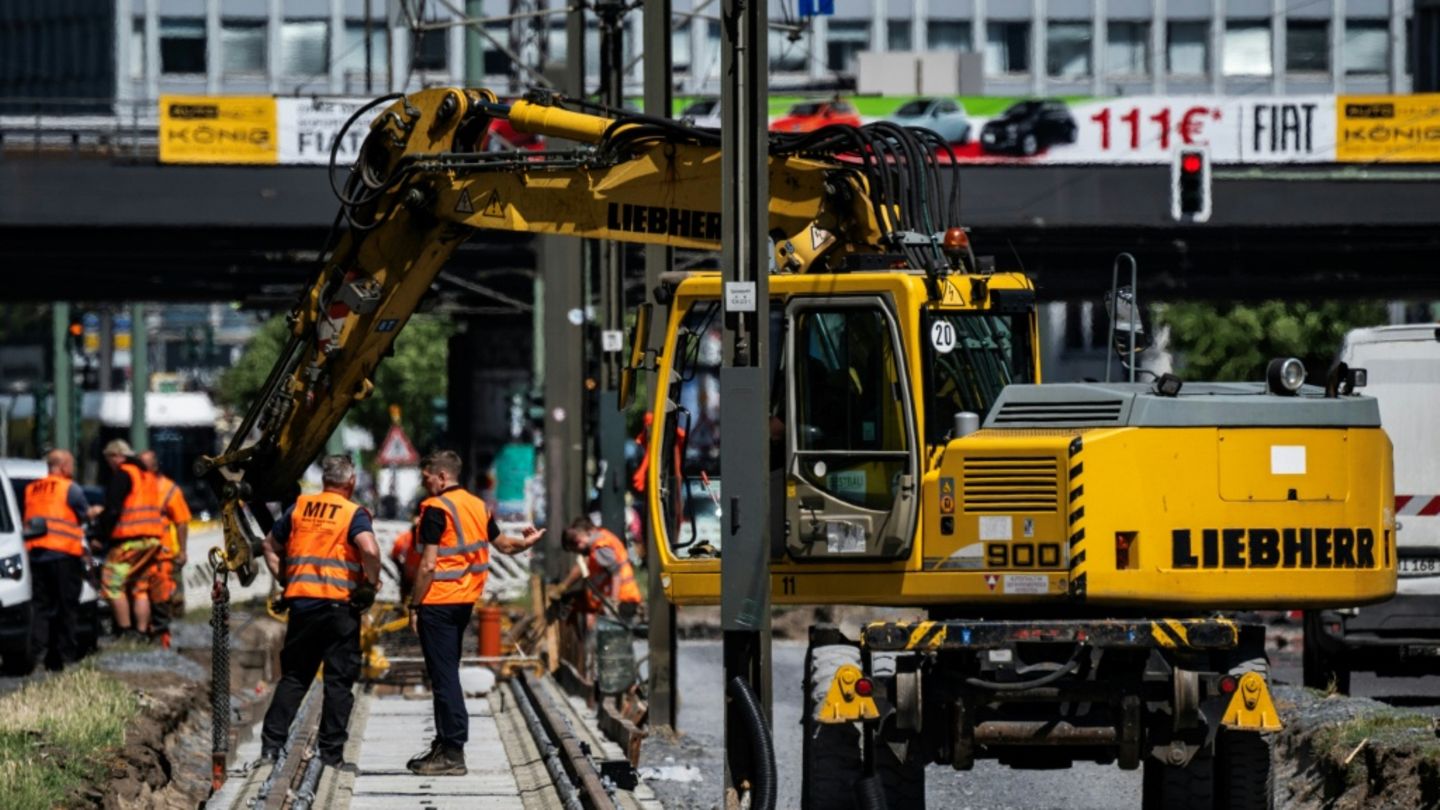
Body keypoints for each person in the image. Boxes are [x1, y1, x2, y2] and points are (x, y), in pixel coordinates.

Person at [406, 450, 544, 776]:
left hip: (437, 602)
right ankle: (443, 744)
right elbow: (506, 545)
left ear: (441, 476)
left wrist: (414, 605)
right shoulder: (478, 506)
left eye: (428, 478)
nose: (426, 484)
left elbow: (427, 564)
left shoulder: (436, 509)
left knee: (443, 678)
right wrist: (528, 542)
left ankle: (453, 751)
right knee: (447, 671)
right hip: (464, 602)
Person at [257, 454, 381, 768]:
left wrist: (286, 581)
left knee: (295, 678)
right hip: (340, 607)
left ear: (325, 481)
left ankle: (271, 748)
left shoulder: (299, 508)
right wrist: (370, 583)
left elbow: (269, 545)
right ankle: (331, 755)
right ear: (350, 483)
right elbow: (369, 548)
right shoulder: (354, 513)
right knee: (339, 682)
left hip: (303, 606)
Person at [21, 449, 90, 671]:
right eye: (71, 464)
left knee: (40, 608)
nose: (73, 469)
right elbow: (84, 514)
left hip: (37, 556)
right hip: (64, 555)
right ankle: (65, 657)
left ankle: (38, 656)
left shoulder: (32, 489)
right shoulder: (70, 489)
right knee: (66, 607)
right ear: (63, 466)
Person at [94, 439, 168, 639]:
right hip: (152, 540)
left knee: (111, 583)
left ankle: (125, 631)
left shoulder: (123, 473)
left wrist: (100, 535)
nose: (108, 464)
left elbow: (113, 509)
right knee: (140, 587)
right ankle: (142, 632)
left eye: (108, 459)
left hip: (130, 540)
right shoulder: (147, 475)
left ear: (117, 455)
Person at [139, 450, 190, 642]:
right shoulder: (135, 487)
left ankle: (163, 637)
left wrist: (183, 551)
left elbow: (181, 522)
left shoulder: (168, 489)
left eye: (145, 465)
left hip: (162, 555)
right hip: (139, 555)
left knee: (163, 598)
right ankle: (145, 636)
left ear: (155, 466)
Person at [558, 517, 643, 623]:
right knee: (572, 602)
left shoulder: (600, 547)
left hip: (623, 601)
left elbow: (616, 573)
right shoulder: (602, 537)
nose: (578, 552)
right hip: (622, 599)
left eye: (575, 549)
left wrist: (613, 603)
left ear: (579, 541)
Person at [389, 505, 422, 604]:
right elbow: (393, 555)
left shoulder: (427, 543)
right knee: (404, 596)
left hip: (420, 577)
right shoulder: (403, 540)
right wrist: (402, 570)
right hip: (407, 575)